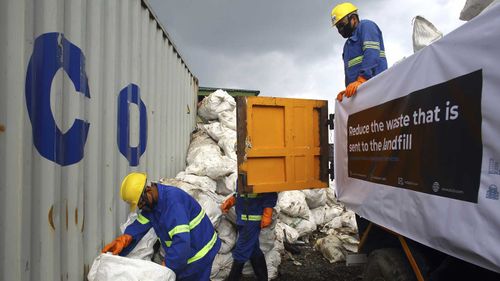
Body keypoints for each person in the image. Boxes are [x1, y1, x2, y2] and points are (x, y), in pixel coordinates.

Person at [102, 172, 221, 281]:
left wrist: (168, 266)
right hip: (189, 251)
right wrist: (125, 239)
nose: (140, 206)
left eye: (141, 202)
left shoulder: (173, 203)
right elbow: (140, 224)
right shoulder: (152, 204)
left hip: (201, 252)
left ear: (148, 189)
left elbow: (181, 242)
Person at [332, 2, 388, 102]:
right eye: (337, 27)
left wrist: (362, 79)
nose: (339, 30)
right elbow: (351, 73)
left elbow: (371, 53)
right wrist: (348, 91)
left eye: (341, 25)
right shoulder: (347, 46)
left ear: (353, 19)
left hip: (376, 89)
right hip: (361, 95)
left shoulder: (366, 26)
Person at [220, 188, 278, 281]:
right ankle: (262, 278)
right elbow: (241, 194)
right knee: (254, 250)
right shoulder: (242, 175)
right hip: (242, 220)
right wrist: (232, 200)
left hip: (251, 221)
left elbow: (270, 192)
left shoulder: (259, 176)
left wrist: (268, 211)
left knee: (241, 251)